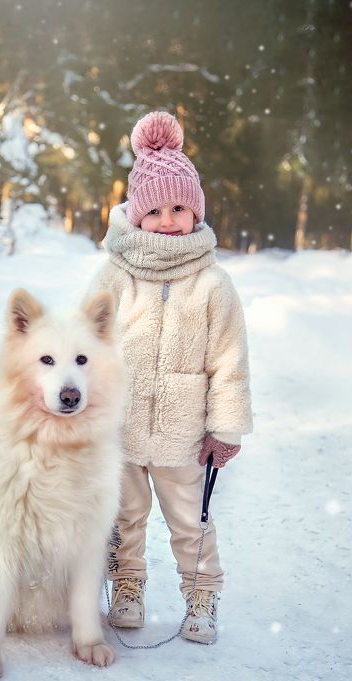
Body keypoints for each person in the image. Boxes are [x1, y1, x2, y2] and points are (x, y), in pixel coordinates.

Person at [89, 110, 253, 644]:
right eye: (155, 210)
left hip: (184, 434)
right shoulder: (114, 275)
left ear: (196, 210)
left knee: (190, 521)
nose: (167, 220)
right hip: (120, 428)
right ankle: (127, 586)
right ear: (136, 215)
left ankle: (201, 596)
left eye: (179, 208)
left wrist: (225, 427)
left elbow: (228, 360)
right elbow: (82, 346)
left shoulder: (212, 283)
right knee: (123, 517)